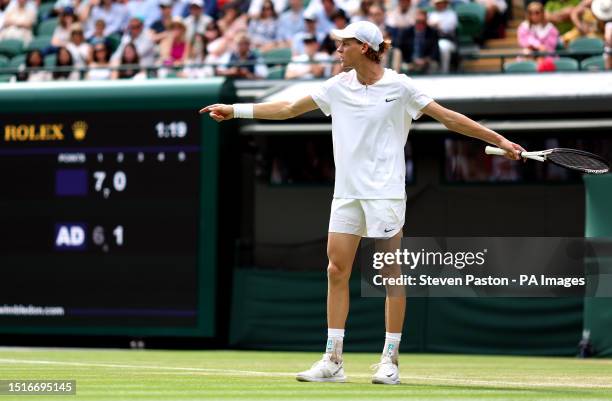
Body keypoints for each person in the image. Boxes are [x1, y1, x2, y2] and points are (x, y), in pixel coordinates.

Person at [200, 20, 524, 385]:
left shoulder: (400, 86)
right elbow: (289, 108)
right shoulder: (337, 87)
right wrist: (235, 109)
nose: (338, 50)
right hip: (346, 194)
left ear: (365, 48)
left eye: (344, 45)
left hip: (385, 194)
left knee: (389, 275)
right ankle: (333, 359)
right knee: (335, 271)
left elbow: (448, 118)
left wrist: (501, 139)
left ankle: (390, 360)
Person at [397, 8, 440, 73]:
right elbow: (400, 48)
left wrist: (425, 60)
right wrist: (413, 60)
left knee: (434, 65)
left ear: (426, 21)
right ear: (414, 21)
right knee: (403, 65)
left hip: (426, 62)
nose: (420, 24)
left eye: (423, 22)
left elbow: (435, 51)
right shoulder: (407, 32)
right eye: (418, 22)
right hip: (409, 61)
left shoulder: (432, 32)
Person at [428, 0, 457, 73]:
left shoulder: (451, 14)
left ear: (445, 4)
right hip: (433, 40)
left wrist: (437, 26)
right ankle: (430, 71)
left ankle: (444, 70)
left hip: (448, 40)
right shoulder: (432, 14)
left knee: (443, 46)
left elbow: (448, 28)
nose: (440, 5)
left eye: (441, 3)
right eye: (438, 3)